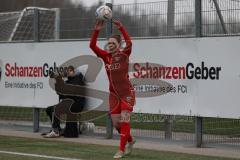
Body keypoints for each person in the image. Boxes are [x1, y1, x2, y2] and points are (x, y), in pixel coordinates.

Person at [90, 19, 136, 159]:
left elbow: (130, 42)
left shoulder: (124, 54)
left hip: (127, 93)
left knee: (125, 120)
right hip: (113, 95)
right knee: (117, 124)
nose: (110, 45)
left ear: (118, 45)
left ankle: (121, 150)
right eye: (109, 43)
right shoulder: (105, 57)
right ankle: (130, 140)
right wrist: (96, 30)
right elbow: (92, 45)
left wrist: (121, 28)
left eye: (112, 43)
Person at [43, 66, 86, 138]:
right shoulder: (70, 80)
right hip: (69, 103)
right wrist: (58, 80)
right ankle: (57, 129)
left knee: (56, 109)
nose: (67, 73)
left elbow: (70, 92)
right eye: (67, 71)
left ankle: (55, 131)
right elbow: (60, 93)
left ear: (74, 72)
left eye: (70, 71)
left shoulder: (78, 80)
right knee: (49, 109)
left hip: (77, 104)